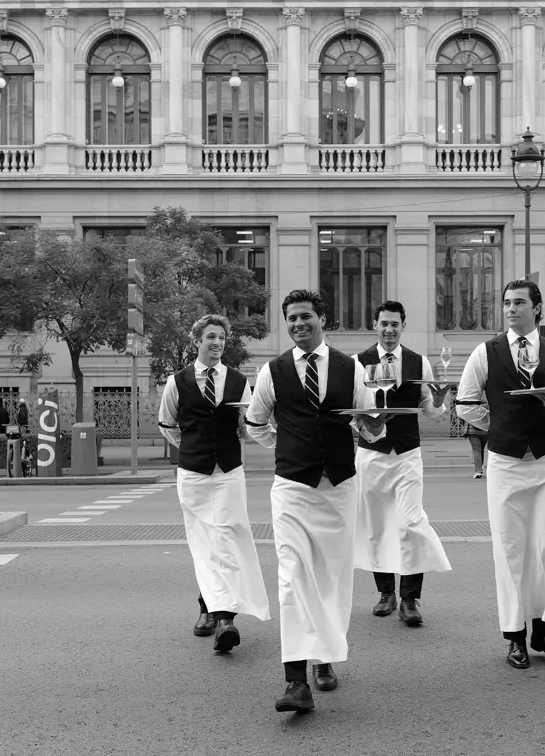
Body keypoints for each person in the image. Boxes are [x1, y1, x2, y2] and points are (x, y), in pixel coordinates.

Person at [245, 289, 388, 714]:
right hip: (292, 488)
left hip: (339, 489)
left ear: (322, 319)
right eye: (291, 318)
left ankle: (323, 657)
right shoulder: (272, 371)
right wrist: (286, 446)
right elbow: (255, 423)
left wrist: (374, 426)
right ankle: (295, 680)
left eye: (305, 316)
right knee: (292, 577)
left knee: (331, 579)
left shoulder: (351, 368)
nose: (298, 324)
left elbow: (372, 427)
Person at [455, 279, 545, 670]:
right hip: (506, 464)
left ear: (537, 309)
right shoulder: (486, 352)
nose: (511, 309)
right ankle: (515, 638)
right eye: (507, 303)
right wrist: (497, 426)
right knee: (511, 551)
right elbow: (465, 403)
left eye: (520, 302)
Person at [157, 314, 269, 654]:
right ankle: (210, 610)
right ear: (197, 341)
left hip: (229, 473)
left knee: (228, 539)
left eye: (221, 337)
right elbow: (167, 424)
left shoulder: (238, 380)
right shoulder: (177, 382)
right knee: (204, 543)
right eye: (210, 337)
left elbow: (246, 424)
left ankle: (224, 617)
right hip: (193, 475)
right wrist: (194, 447)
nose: (217, 342)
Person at [354, 300, 453, 627]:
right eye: (384, 323)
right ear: (375, 325)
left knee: (411, 523)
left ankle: (410, 598)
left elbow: (430, 410)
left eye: (395, 324)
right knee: (377, 526)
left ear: (403, 327)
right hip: (371, 454)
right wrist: (365, 427)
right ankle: (386, 593)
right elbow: (352, 411)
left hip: (408, 454)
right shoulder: (358, 363)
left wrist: (438, 402)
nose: (389, 329)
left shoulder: (418, 362)